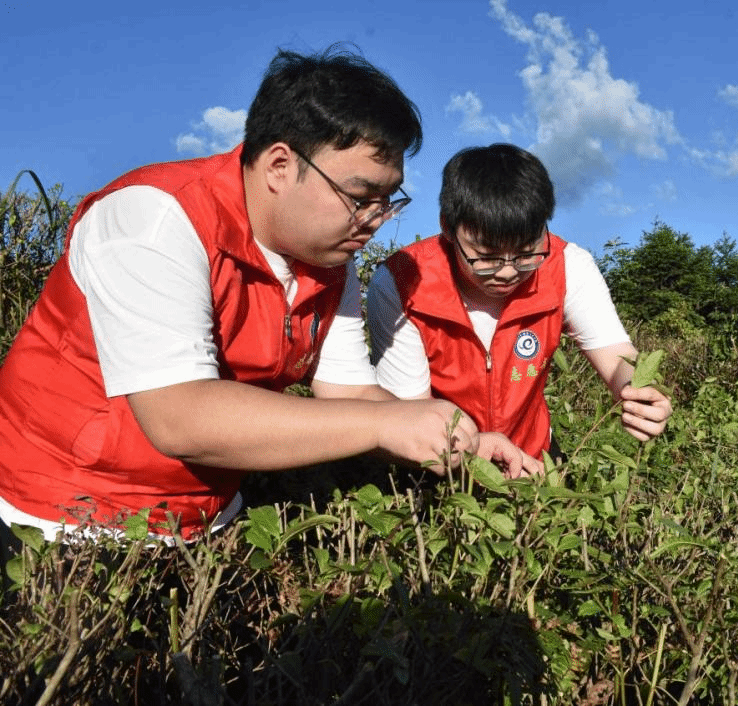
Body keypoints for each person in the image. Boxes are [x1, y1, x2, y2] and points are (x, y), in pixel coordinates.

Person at [0, 48, 538, 544]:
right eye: (360, 197)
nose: (376, 220)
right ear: (280, 166)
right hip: (57, 518)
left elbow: (349, 393)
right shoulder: (154, 217)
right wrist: (387, 424)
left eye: (387, 200)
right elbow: (178, 417)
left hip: (208, 519)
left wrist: (461, 442)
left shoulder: (330, 260)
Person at [366, 143, 672, 461]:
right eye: (487, 257)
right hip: (442, 462)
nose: (508, 272)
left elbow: (617, 357)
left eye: (527, 253)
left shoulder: (568, 267)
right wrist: (476, 452)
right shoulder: (401, 283)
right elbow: (412, 419)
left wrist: (639, 393)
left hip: (536, 457)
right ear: (447, 227)